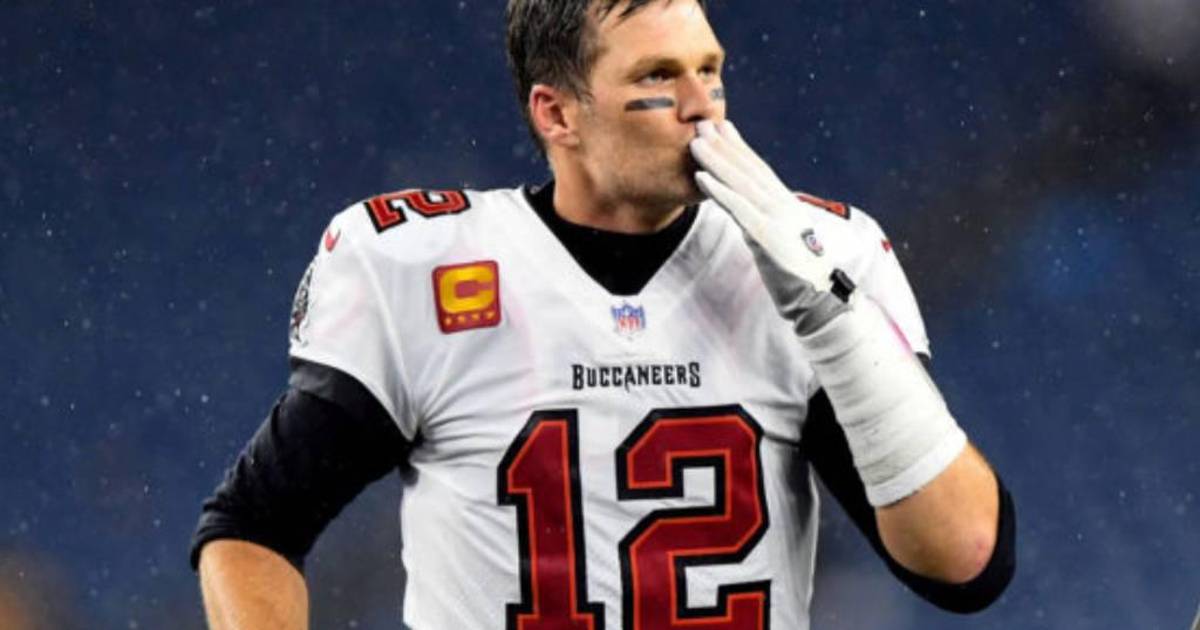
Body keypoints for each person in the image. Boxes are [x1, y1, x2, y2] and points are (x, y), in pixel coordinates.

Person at [190, 0, 1016, 627]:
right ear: (557, 114)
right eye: (657, 77)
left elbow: (967, 564)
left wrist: (833, 316)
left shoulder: (814, 261)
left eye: (710, 69)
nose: (703, 106)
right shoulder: (426, 269)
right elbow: (252, 528)